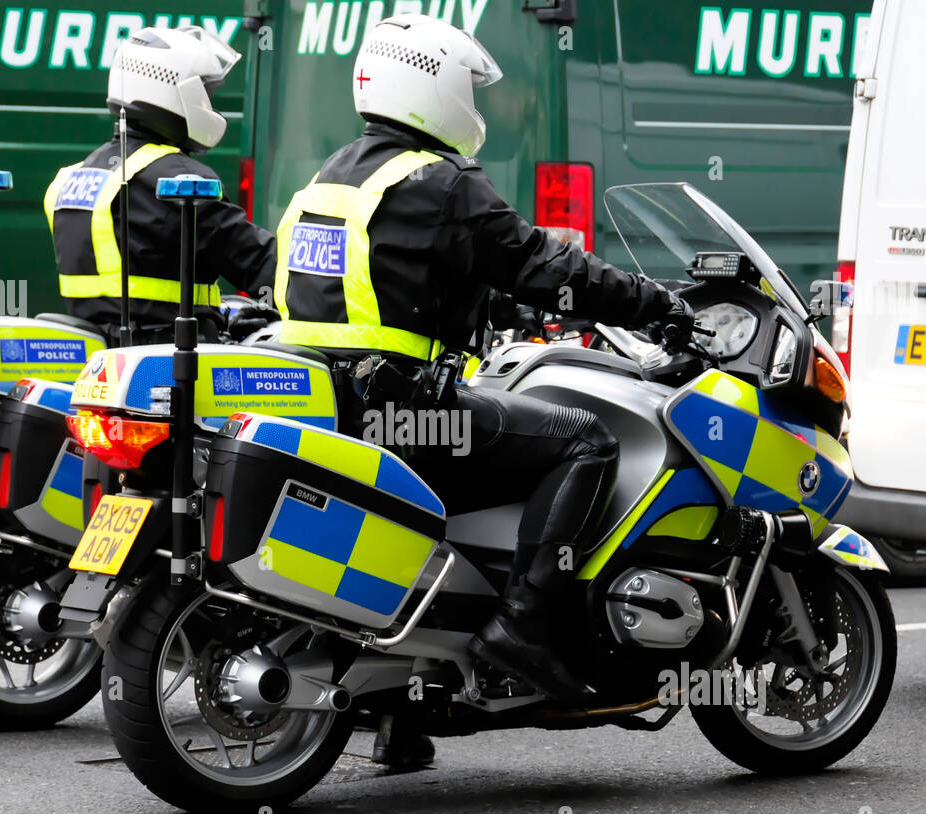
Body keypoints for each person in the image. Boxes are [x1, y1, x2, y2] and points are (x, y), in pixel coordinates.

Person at [272, 12, 696, 744]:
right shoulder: (443, 181)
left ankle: (401, 713)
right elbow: (543, 262)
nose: (475, 100)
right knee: (586, 441)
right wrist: (654, 301)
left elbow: (401, 277)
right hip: (402, 410)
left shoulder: (336, 173)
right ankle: (523, 625)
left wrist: (491, 303)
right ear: (430, 85)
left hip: (327, 400)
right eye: (467, 83)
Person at [44, 26, 274, 342]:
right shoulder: (180, 180)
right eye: (207, 93)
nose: (211, 103)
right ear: (176, 90)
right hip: (171, 366)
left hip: (99, 362)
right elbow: (260, 263)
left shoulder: (72, 178)